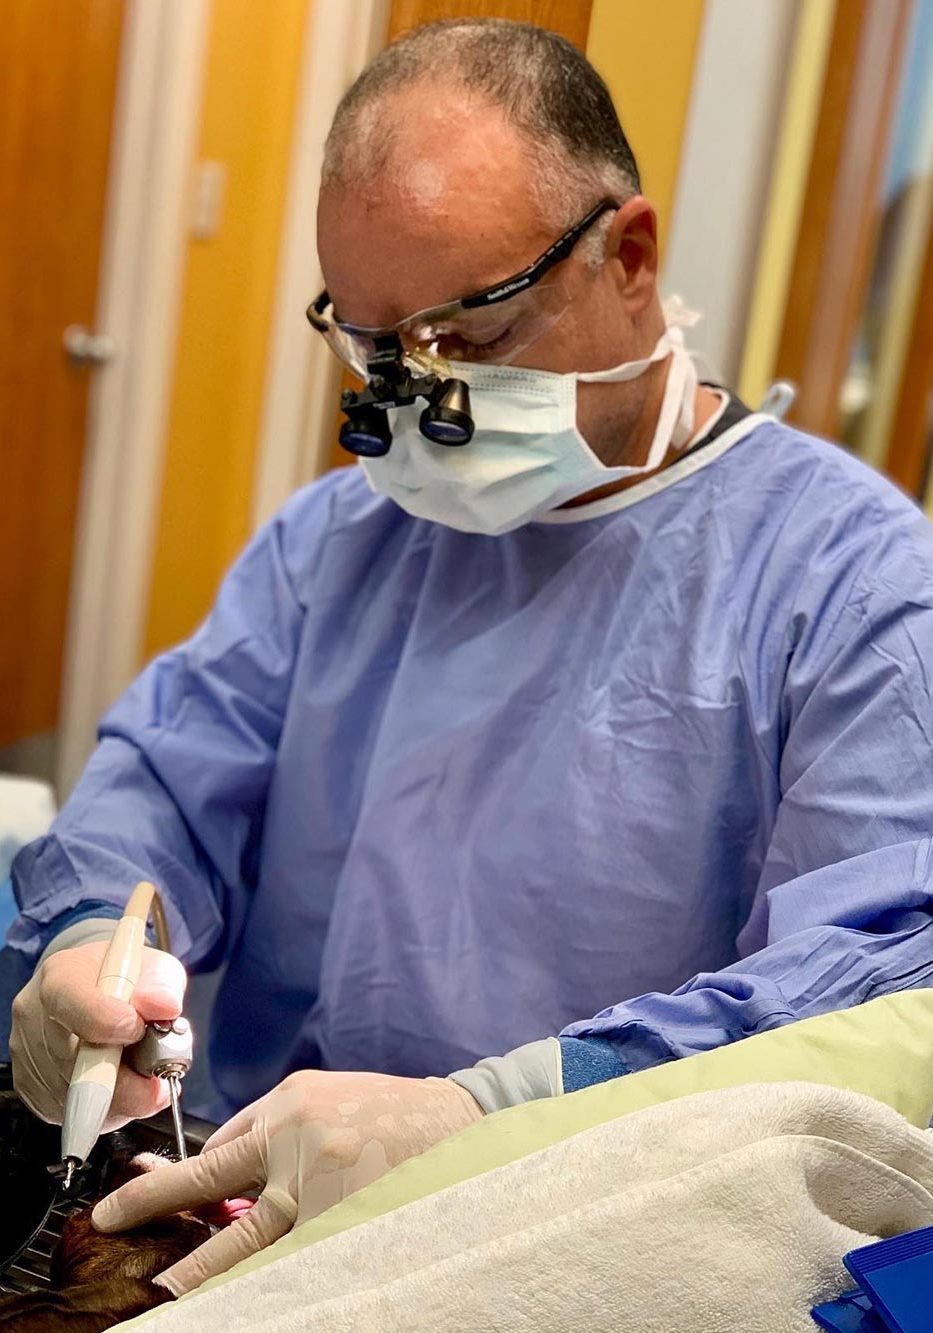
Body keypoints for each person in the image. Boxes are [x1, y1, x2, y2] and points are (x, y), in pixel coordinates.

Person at [8, 17, 933, 1297]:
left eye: (463, 340)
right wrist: (84, 942)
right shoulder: (339, 537)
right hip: (244, 1210)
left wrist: (494, 1110)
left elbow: (864, 1000)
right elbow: (167, 782)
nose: (413, 400)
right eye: (377, 349)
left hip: (577, 1242)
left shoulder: (858, 586)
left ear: (631, 255)